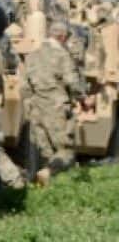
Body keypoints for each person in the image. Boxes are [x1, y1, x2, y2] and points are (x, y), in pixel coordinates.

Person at [23, 20, 85, 183]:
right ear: (63, 37)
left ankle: (48, 186)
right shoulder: (62, 55)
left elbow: (24, 86)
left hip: (36, 108)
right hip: (57, 107)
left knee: (47, 153)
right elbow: (72, 82)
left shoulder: (32, 55)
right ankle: (48, 174)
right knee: (66, 151)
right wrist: (82, 97)